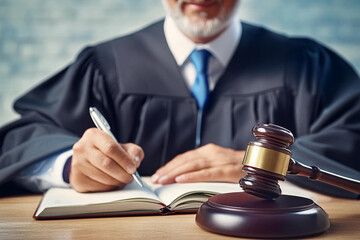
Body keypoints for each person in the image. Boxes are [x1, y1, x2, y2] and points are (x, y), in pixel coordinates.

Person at [0, 0, 359, 198]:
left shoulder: (306, 65)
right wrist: (70, 165)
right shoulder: (104, 65)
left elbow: (352, 137)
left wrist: (267, 163)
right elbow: (22, 137)